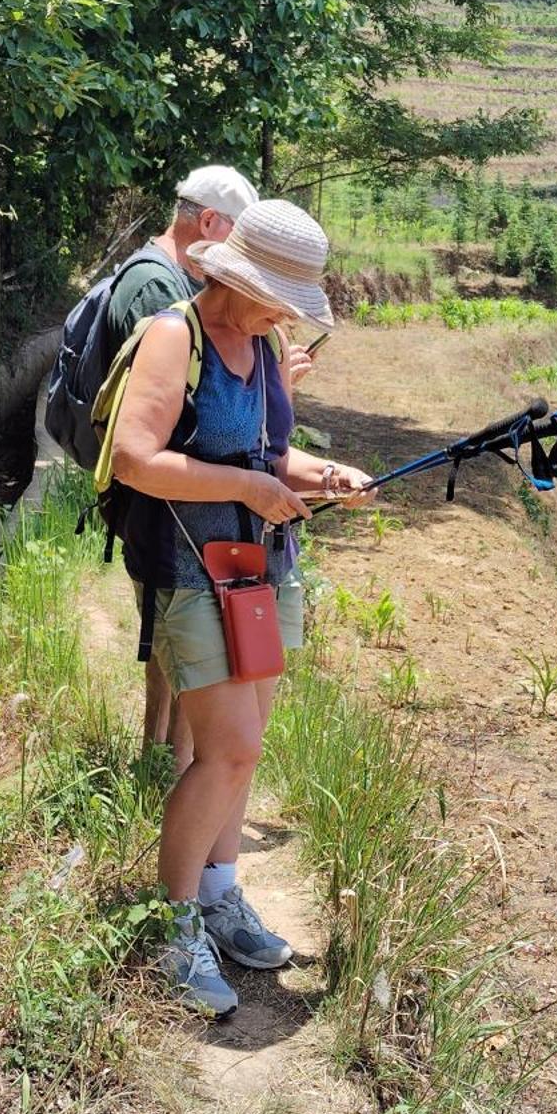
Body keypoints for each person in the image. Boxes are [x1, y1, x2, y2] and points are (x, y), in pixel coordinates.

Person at [111, 198, 371, 1019]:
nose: (285, 316)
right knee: (224, 753)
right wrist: (248, 486)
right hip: (194, 575)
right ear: (237, 278)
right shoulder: (173, 336)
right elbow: (135, 458)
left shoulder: (263, 347)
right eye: (277, 298)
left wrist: (320, 473)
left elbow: (265, 454)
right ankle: (174, 925)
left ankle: (219, 896)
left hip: (263, 571)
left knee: (245, 753)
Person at [110, 165, 259, 766]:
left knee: (174, 660)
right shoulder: (162, 297)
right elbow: (148, 443)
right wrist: (246, 479)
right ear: (208, 223)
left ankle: (163, 769)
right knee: (175, 655)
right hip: (163, 517)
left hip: (176, 517)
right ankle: (162, 772)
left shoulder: (162, 278)